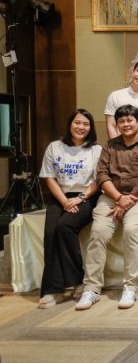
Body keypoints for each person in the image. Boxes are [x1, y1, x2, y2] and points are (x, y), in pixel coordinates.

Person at [75, 105, 138, 311]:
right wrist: (119, 198)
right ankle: (92, 289)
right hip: (112, 196)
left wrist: (129, 199)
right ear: (117, 124)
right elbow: (102, 174)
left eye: (130, 120)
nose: (126, 124)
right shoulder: (110, 145)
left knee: (132, 230)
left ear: (137, 122)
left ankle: (130, 287)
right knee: (98, 232)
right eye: (121, 121)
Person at [37, 109, 102, 309]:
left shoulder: (96, 150)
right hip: (60, 196)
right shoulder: (55, 147)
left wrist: (80, 198)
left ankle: (77, 281)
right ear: (70, 124)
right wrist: (65, 201)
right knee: (50, 232)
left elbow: (99, 180)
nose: (81, 127)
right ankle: (53, 289)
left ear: (91, 128)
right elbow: (49, 178)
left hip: (86, 196)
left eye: (86, 124)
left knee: (64, 226)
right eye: (77, 122)